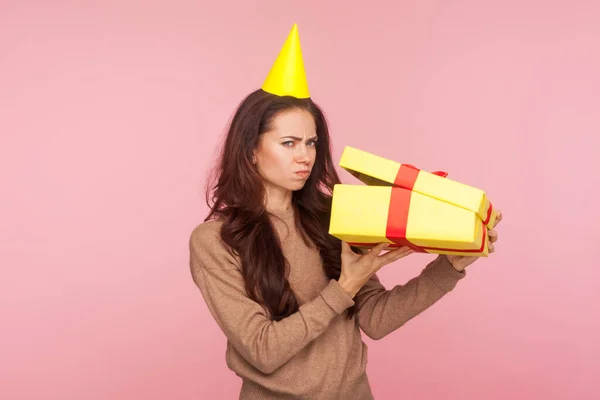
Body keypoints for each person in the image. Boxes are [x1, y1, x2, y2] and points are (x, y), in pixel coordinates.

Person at [189, 24, 502, 400]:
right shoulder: (215, 241)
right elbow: (262, 350)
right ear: (251, 150)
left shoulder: (336, 215)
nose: (305, 156)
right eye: (288, 143)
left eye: (310, 142)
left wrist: (450, 265)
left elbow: (374, 319)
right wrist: (345, 287)